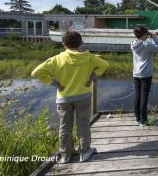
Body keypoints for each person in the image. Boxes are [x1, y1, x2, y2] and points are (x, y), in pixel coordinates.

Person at [31, 31, 109, 163]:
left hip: (64, 98)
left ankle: (66, 155)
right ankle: (84, 152)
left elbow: (36, 72)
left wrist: (54, 83)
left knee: (64, 126)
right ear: (81, 43)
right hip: (83, 97)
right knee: (83, 124)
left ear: (63, 44)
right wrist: (92, 77)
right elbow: (105, 65)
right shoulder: (89, 57)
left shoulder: (56, 59)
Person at [131, 25, 158, 126]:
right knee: (144, 96)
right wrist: (154, 37)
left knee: (137, 95)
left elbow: (140, 40)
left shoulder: (133, 44)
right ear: (145, 34)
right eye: (147, 34)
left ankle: (137, 118)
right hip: (145, 74)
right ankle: (143, 120)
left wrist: (147, 34)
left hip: (136, 74)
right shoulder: (146, 45)